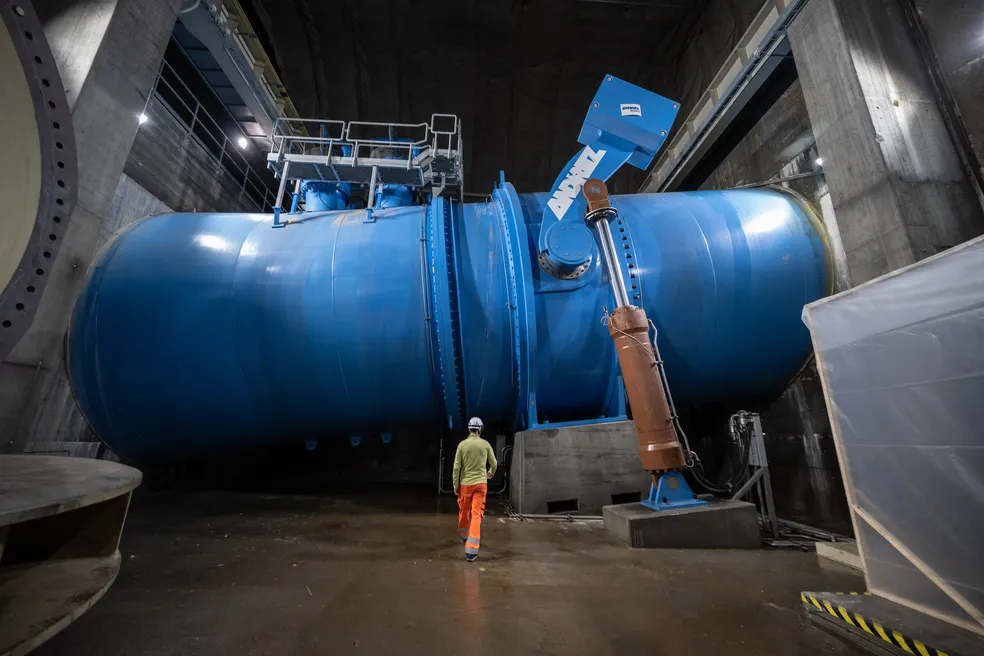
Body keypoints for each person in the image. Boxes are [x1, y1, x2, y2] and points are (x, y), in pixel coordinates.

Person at [453, 417, 497, 562]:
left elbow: (456, 467)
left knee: (464, 511)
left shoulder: (462, 445)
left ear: (469, 429)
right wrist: (490, 472)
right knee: (476, 515)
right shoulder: (485, 444)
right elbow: (494, 463)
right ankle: (471, 552)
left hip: (466, 485)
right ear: (480, 429)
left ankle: (464, 536)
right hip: (481, 485)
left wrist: (455, 485)